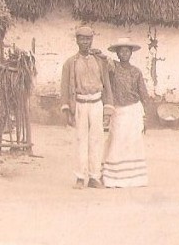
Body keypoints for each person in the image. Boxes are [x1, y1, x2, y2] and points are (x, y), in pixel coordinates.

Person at [60, 26, 113, 189]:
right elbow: (64, 87)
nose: (85, 42)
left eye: (88, 39)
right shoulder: (70, 63)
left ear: (92, 40)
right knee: (81, 140)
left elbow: (107, 83)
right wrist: (67, 109)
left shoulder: (100, 60)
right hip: (80, 104)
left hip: (96, 103)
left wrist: (108, 108)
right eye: (82, 39)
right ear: (76, 41)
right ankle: (79, 177)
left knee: (96, 140)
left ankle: (94, 177)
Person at [102, 37, 150, 188]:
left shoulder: (136, 72)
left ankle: (135, 178)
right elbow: (103, 61)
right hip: (118, 111)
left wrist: (146, 116)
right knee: (117, 140)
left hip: (134, 111)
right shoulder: (112, 69)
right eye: (121, 51)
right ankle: (113, 178)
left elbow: (143, 94)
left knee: (133, 142)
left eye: (127, 51)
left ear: (131, 53)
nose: (124, 53)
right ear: (117, 53)